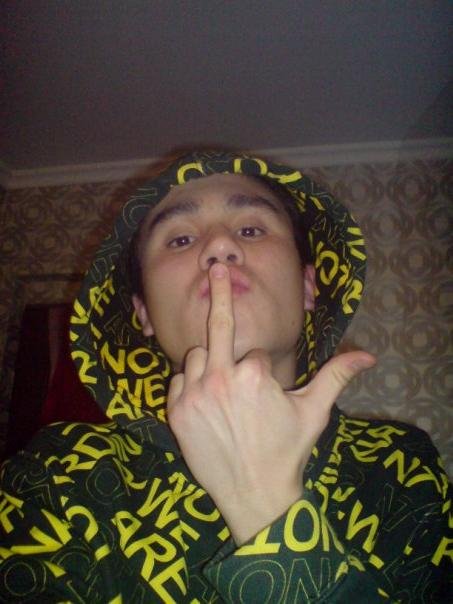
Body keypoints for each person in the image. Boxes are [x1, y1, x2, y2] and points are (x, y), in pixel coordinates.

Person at [0, 150, 451, 602]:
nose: (219, 247)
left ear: (308, 286)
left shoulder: (402, 470)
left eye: (251, 230)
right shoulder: (56, 475)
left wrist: (264, 505)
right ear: (144, 313)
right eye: (180, 239)